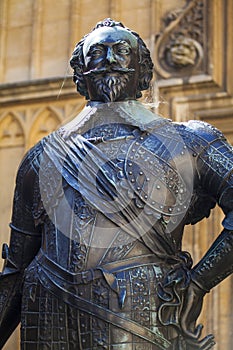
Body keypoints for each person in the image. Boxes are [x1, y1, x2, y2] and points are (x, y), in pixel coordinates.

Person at [0, 18, 233, 350]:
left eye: (121, 51)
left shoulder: (191, 141)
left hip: (138, 313)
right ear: (80, 74)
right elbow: (16, 269)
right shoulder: (42, 157)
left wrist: (198, 283)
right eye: (97, 53)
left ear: (141, 70)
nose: (109, 60)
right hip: (49, 317)